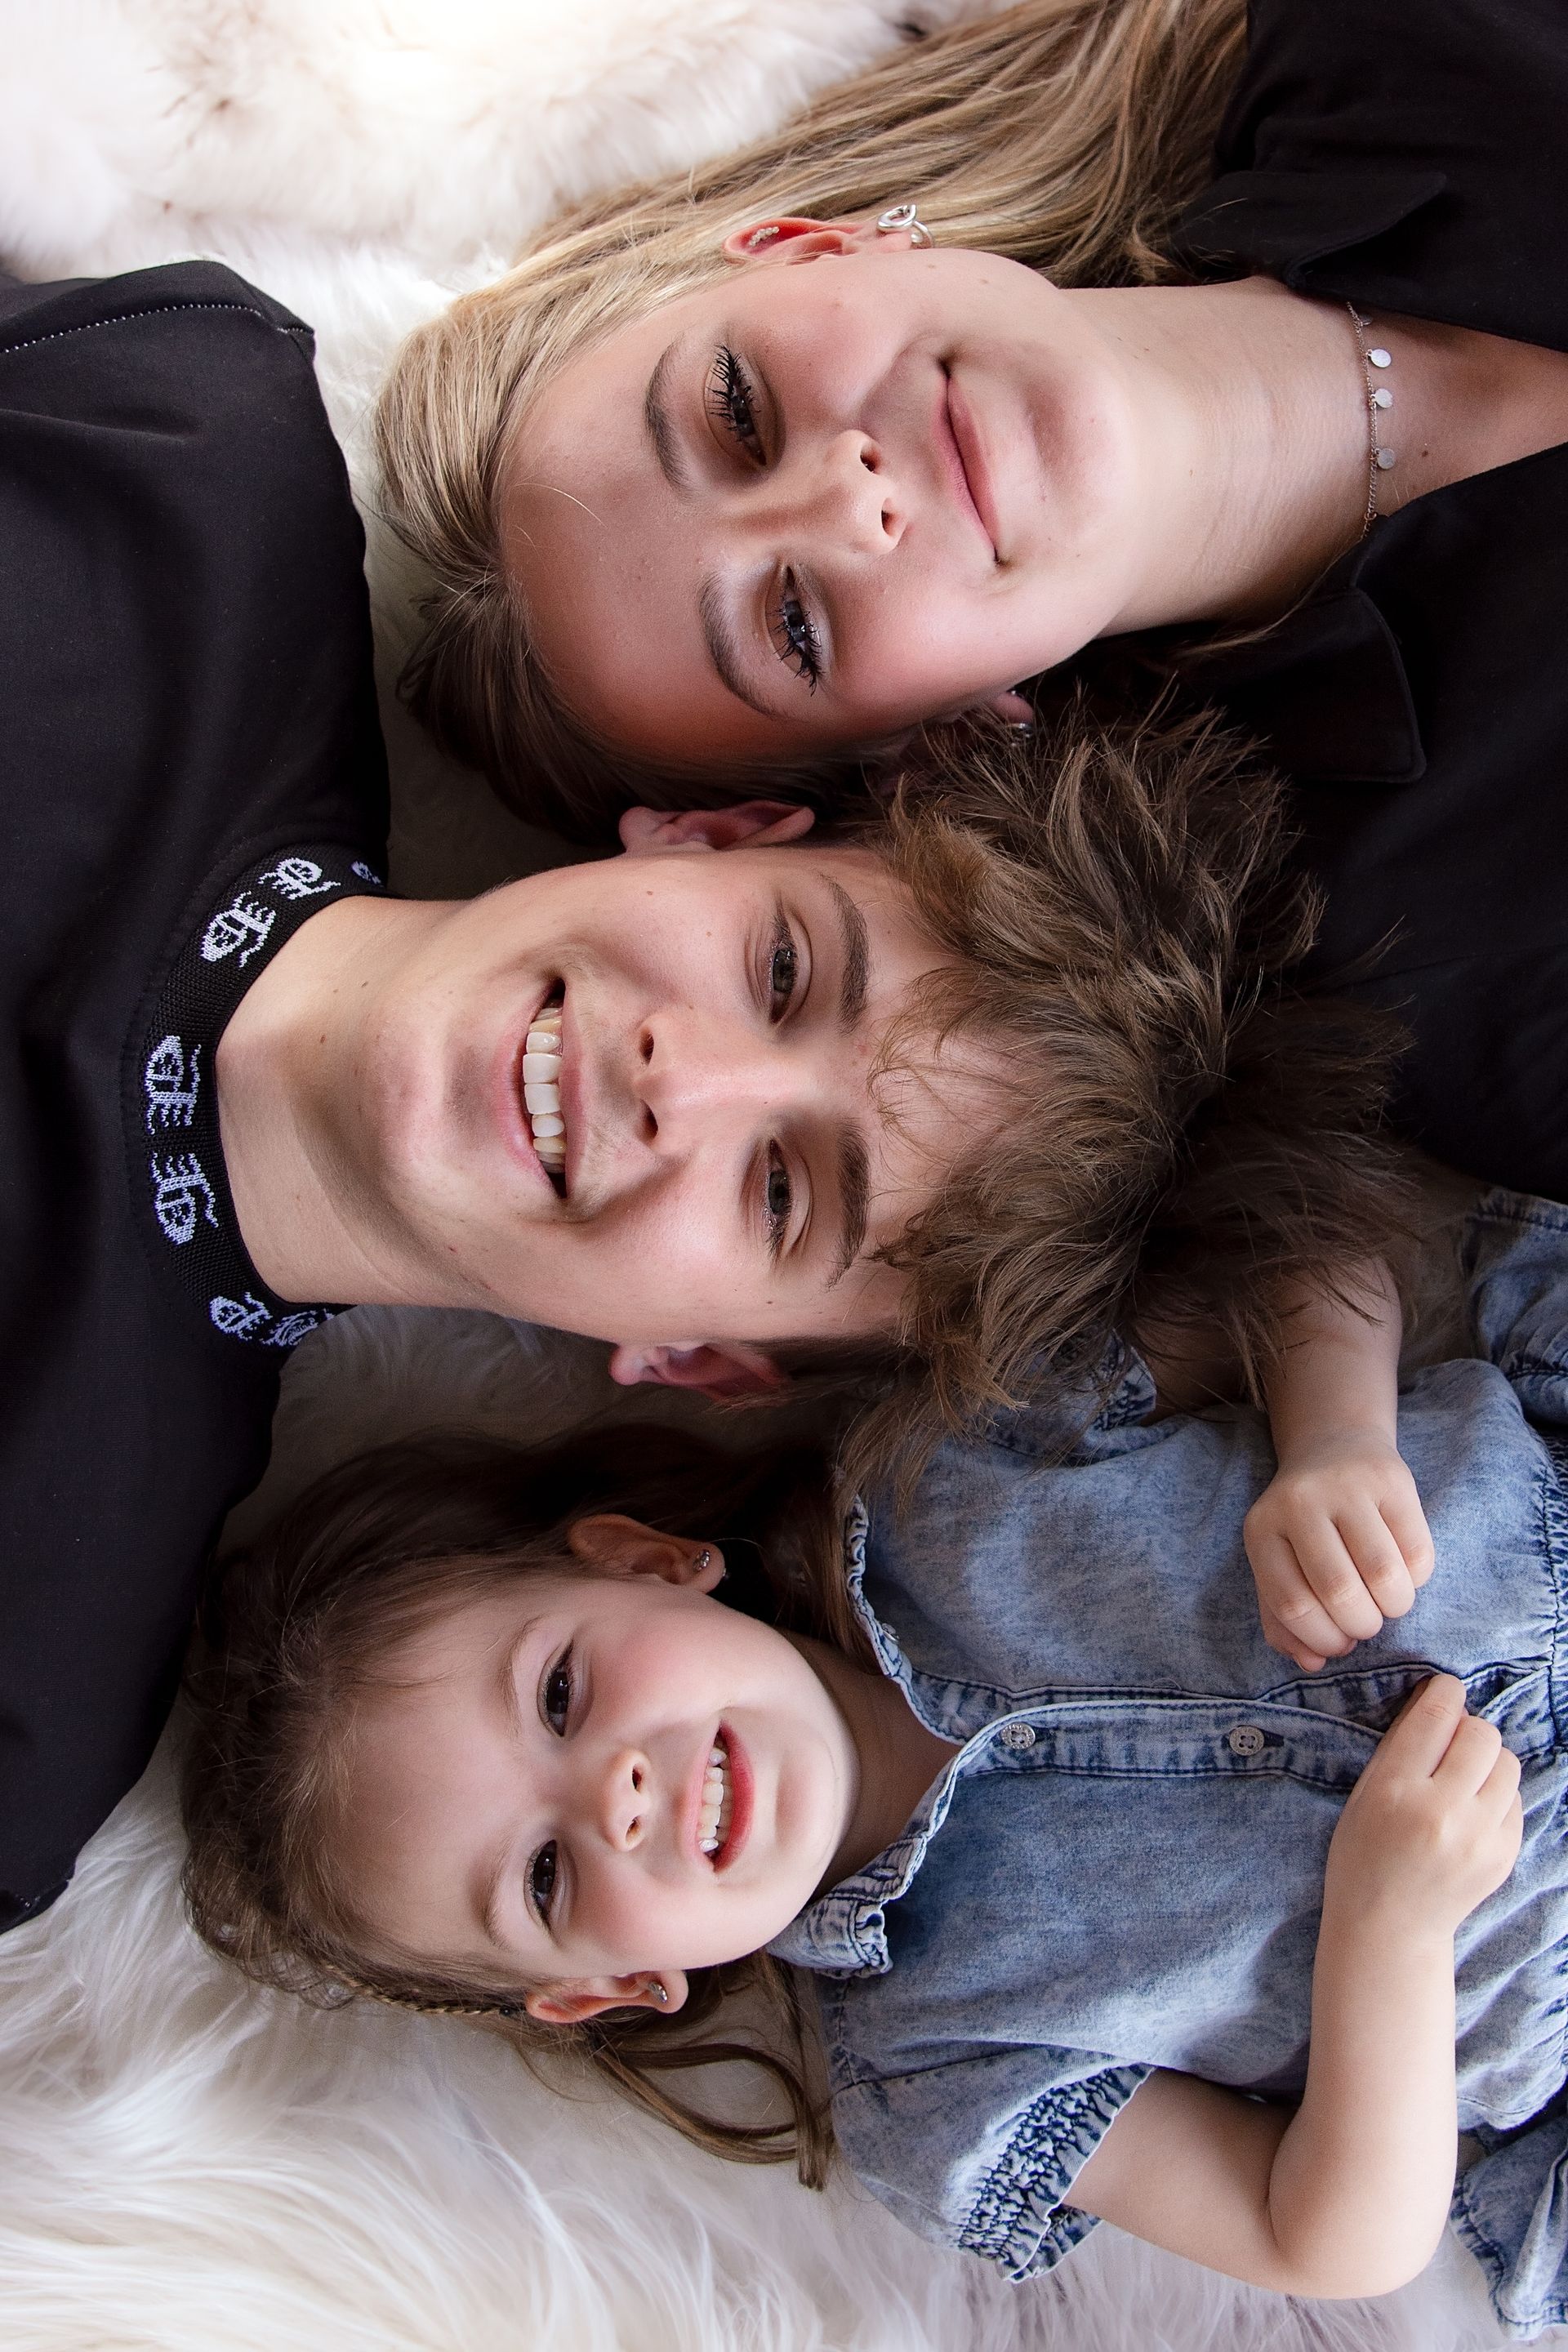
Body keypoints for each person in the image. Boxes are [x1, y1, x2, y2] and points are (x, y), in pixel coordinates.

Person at [0, 272, 1406, 1940]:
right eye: (785, 975)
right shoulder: (177, 463)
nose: (687, 1081)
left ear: (706, 1364)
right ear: (715, 835)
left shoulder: (38, 1670)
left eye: (784, 1194)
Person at [180, 1186, 1568, 2336]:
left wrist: (1335, 1438)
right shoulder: (941, 2080)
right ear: (612, 1988)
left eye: (560, 1694)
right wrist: (1392, 1924)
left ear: (648, 1562)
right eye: (544, 1875)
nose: (619, 1793)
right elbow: (1327, 2238)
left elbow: (1304, 1238)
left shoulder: (958, 1465)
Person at [377, 0, 1568, 1201]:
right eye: (794, 625)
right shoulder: (1438, 965)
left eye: (737, 410)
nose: (852, 503)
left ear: (815, 244)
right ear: (945, 739)